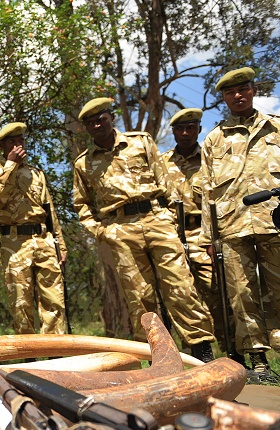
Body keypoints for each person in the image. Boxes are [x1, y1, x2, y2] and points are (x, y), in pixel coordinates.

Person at [72, 97, 216, 362]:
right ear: (86, 128)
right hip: (119, 229)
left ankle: (201, 350)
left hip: (157, 218)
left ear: (110, 117)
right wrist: (102, 232)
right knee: (140, 296)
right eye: (90, 123)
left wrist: (170, 217)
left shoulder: (141, 141)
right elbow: (81, 204)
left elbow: (166, 182)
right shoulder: (83, 163)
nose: (96, 125)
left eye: (100, 119)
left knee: (181, 285)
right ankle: (156, 357)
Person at [200, 67, 280, 382]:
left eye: (243, 89)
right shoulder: (214, 139)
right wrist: (209, 238)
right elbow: (207, 192)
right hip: (232, 228)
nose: (238, 95)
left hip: (274, 222)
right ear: (224, 97)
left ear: (252, 90)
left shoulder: (275, 129)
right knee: (241, 294)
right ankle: (259, 362)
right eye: (231, 92)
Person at [162, 108, 238, 362]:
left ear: (198, 129)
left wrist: (216, 237)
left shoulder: (210, 159)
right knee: (179, 295)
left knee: (215, 291)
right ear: (173, 131)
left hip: (204, 234)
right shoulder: (162, 163)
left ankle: (232, 352)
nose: (185, 133)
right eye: (180, 129)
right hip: (170, 235)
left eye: (191, 127)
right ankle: (194, 356)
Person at [0, 122, 68, 334]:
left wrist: (60, 244)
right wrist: (10, 166)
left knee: (54, 301)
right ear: (2, 146)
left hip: (44, 239)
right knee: (21, 303)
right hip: (14, 242)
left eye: (21, 141)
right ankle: (28, 358)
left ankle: (56, 356)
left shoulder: (36, 173)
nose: (18, 145)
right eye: (12, 142)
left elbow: (49, 210)